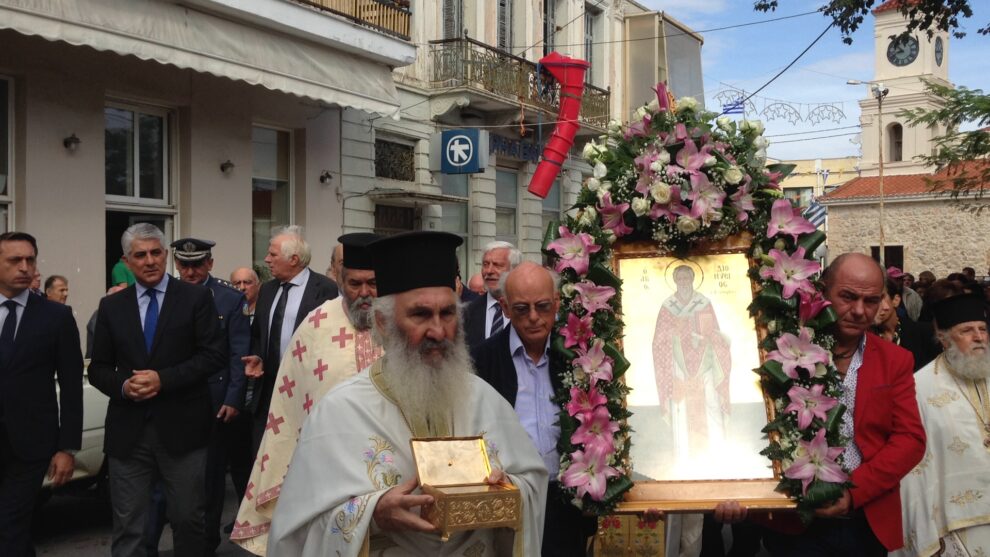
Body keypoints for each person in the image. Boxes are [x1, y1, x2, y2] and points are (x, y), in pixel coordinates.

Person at [267, 231, 547, 556]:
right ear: (384, 323)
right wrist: (372, 514)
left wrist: (508, 489)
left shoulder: (485, 400)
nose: (439, 331)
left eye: (448, 314)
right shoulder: (340, 412)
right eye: (420, 315)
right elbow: (298, 527)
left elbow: (532, 481)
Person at [762, 253, 925, 556]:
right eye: (848, 297)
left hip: (865, 517)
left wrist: (853, 492)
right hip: (794, 520)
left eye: (872, 301)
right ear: (822, 290)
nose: (860, 311)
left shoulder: (896, 360)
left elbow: (911, 440)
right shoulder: (781, 350)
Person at [231, 232, 384, 554]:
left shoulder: (401, 323)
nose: (365, 293)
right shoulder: (316, 324)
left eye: (373, 283)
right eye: (355, 284)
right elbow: (287, 405)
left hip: (389, 469)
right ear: (341, 280)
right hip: (327, 468)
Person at [88, 223, 226, 557]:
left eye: (155, 253)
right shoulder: (111, 307)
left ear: (165, 255)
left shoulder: (195, 298)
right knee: (128, 526)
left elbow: (214, 356)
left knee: (188, 520)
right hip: (128, 434)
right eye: (140, 255)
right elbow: (98, 369)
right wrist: (123, 385)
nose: (149, 261)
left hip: (184, 431)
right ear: (127, 261)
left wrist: (163, 379)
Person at [472, 261, 596, 556]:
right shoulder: (482, 360)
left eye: (542, 306)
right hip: (511, 503)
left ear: (556, 302)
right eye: (521, 309)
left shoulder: (578, 356)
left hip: (567, 504)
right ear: (503, 307)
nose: (533, 318)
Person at [155, 238, 250, 554]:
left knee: (209, 480)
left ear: (209, 263)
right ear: (177, 264)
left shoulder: (228, 299)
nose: (191, 271)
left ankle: (206, 543)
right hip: (172, 398)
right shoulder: (164, 295)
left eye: (197, 264)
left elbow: (239, 353)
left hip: (213, 401)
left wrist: (234, 398)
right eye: (184, 265)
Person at [0, 232, 83, 556]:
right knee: (13, 535)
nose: (24, 267)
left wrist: (67, 447)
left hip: (31, 446)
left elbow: (73, 384)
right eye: (14, 260)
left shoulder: (56, 317)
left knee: (9, 525)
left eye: (30, 260)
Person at [893, 292, 990, 557]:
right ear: (944, 338)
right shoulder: (919, 388)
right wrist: (924, 533)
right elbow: (913, 468)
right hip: (953, 526)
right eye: (967, 330)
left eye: (982, 329)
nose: (979, 337)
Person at [247, 225, 337, 450]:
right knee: (264, 454)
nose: (267, 259)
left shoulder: (326, 289)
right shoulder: (267, 290)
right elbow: (258, 334)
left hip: (306, 391)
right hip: (267, 391)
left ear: (294, 259)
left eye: (273, 254)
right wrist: (257, 356)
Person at [652, 264, 731, 473]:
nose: (684, 281)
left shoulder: (703, 303)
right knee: (682, 409)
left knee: (711, 404)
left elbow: (715, 332)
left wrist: (706, 337)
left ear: (693, 279)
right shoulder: (668, 306)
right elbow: (659, 340)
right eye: (681, 278)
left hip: (705, 364)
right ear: (676, 280)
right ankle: (683, 462)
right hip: (678, 366)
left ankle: (718, 460)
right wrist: (677, 333)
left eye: (688, 278)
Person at [463, 241, 522, 351]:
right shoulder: (467, 313)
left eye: (497, 265)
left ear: (514, 270)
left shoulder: (529, 310)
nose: (489, 271)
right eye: (485, 264)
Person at [873, 277, 940, 371]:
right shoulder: (860, 339)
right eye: (866, 300)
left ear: (895, 301)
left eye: (878, 298)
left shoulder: (926, 333)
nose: (871, 306)